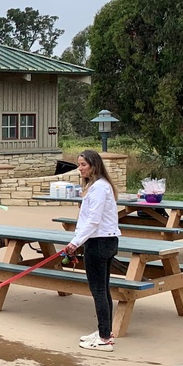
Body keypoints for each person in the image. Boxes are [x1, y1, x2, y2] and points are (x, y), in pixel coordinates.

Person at [66, 150, 121, 352]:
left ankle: (105, 338)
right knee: (103, 289)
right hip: (103, 241)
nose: (80, 168)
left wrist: (75, 243)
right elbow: (87, 219)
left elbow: (93, 220)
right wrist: (77, 240)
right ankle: (103, 331)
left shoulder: (99, 188)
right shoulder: (99, 187)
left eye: (83, 165)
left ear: (94, 165)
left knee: (98, 290)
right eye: (79, 165)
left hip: (99, 243)